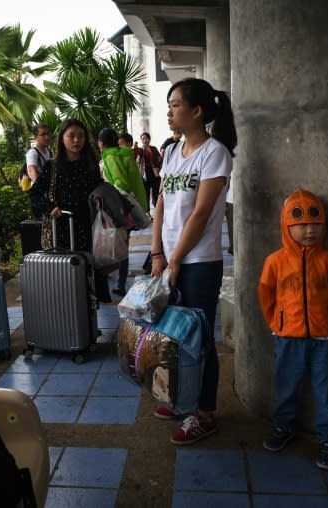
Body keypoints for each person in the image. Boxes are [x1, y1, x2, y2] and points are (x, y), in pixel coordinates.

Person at [149, 77, 237, 444]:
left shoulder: (215, 152)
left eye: (175, 105)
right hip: (170, 260)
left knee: (198, 338)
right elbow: (162, 205)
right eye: (168, 105)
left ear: (197, 111)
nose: (169, 111)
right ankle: (180, 399)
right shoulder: (171, 152)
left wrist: (176, 260)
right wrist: (157, 253)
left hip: (199, 261)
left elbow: (200, 215)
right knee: (172, 335)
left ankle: (203, 412)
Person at [257, 189, 328, 471]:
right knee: (286, 386)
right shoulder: (275, 261)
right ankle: (284, 427)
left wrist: (325, 316)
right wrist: (276, 321)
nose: (309, 230)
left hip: (324, 337)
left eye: (315, 224)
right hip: (287, 337)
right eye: (302, 225)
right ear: (287, 225)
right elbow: (265, 294)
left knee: (326, 390)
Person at [29, 119, 111, 301]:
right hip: (62, 231)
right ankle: (69, 321)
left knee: (88, 279)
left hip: (87, 229)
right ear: (62, 139)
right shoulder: (53, 166)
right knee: (65, 279)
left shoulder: (89, 165)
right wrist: (50, 208)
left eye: (81, 136)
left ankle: (89, 324)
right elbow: (35, 194)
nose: (76, 140)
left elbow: (98, 189)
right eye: (71, 136)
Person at [97, 127, 149, 296]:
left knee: (112, 245)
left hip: (117, 209)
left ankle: (118, 283)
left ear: (101, 144)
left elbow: (120, 183)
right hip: (128, 208)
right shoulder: (126, 154)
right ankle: (119, 281)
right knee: (122, 245)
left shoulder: (111, 157)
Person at [139, 132, 163, 208]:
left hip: (154, 171)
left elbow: (159, 158)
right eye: (143, 138)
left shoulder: (153, 148)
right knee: (146, 192)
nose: (145, 140)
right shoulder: (140, 150)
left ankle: (157, 208)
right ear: (141, 140)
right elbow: (137, 160)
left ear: (149, 139)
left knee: (156, 191)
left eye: (146, 138)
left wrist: (157, 162)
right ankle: (148, 213)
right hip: (145, 173)